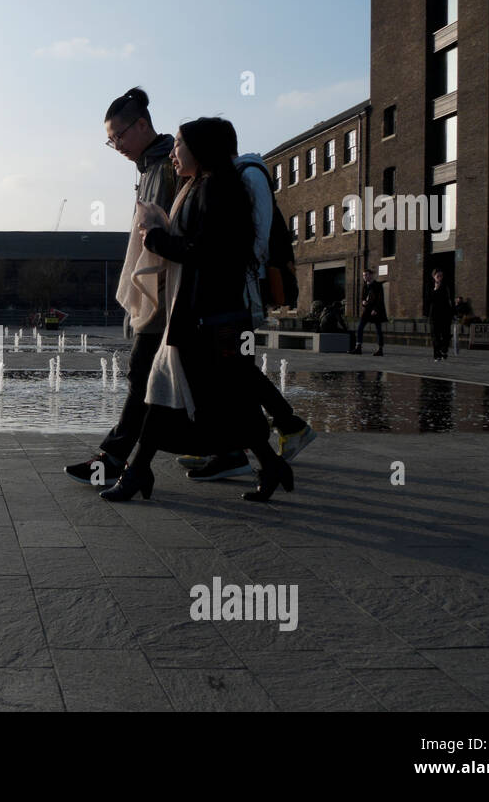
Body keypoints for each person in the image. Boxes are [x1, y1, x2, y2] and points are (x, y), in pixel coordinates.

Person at [101, 118, 293, 503]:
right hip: (208, 315)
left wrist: (156, 238)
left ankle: (137, 471)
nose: (173, 152)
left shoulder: (215, 191)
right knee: (226, 399)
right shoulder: (202, 187)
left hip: (209, 318)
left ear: (200, 150)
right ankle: (271, 463)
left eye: (179, 145)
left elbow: (207, 255)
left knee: (164, 392)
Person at [175, 121, 317, 482]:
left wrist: (229, 274)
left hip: (239, 295)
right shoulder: (221, 177)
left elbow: (253, 241)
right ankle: (251, 443)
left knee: (235, 369)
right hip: (229, 296)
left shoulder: (248, 174)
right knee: (235, 370)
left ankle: (268, 440)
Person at [65, 87, 178, 486]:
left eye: (119, 136)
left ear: (143, 125)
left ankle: (114, 459)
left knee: (142, 373)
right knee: (166, 377)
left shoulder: (169, 166)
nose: (115, 146)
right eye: (110, 140)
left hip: (168, 295)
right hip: (158, 293)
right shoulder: (148, 168)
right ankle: (233, 448)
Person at [350, 268, 387, 356]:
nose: (364, 277)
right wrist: (363, 302)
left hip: (376, 311)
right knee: (360, 328)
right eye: (363, 275)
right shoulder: (365, 286)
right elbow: (363, 298)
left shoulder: (378, 285)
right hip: (367, 310)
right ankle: (358, 347)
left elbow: (380, 299)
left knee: (378, 330)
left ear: (371, 275)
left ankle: (380, 349)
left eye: (366, 275)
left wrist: (376, 309)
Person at [428, 268, 455, 360]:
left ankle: (444, 350)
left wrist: (453, 313)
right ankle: (437, 355)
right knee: (435, 336)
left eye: (441, 276)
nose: (440, 278)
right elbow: (429, 300)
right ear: (434, 276)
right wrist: (435, 289)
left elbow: (450, 300)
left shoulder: (446, 286)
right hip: (434, 315)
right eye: (438, 276)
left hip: (445, 315)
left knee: (446, 335)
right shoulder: (430, 286)